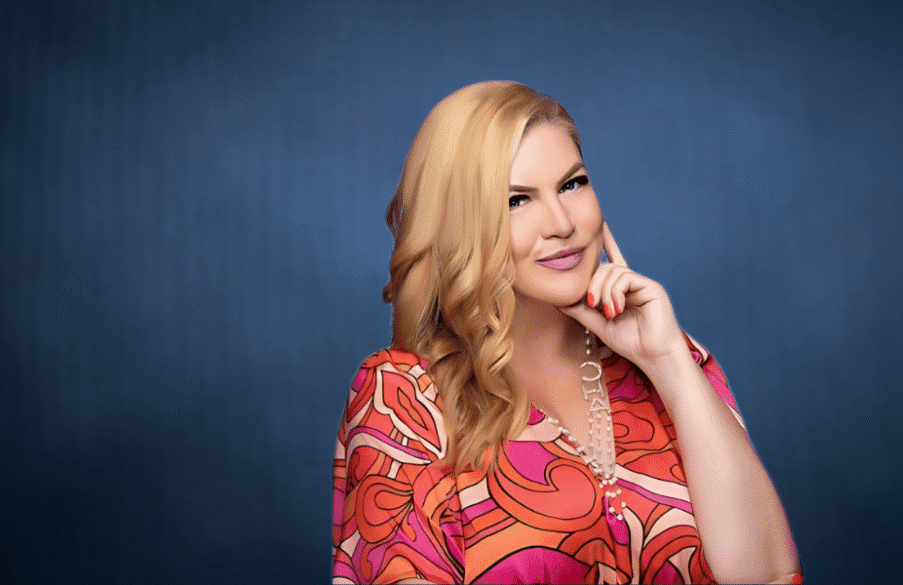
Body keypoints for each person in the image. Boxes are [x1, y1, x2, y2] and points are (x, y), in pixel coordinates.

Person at [331, 81, 801, 584]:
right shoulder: (402, 397)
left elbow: (769, 576)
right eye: (517, 201)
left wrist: (668, 363)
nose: (561, 223)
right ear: (459, 226)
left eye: (572, 184)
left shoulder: (674, 361)